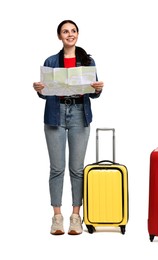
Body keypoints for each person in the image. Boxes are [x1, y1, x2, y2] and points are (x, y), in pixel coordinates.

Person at [32, 20, 104, 235]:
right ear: (59, 36)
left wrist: (97, 88)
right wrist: (39, 89)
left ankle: (75, 216)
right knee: (57, 168)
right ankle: (56, 216)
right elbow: (45, 93)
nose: (69, 34)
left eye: (73, 31)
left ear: (77, 34)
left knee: (77, 168)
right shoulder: (51, 60)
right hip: (56, 113)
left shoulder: (87, 60)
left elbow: (93, 93)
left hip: (79, 114)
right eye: (65, 31)